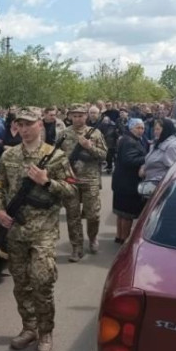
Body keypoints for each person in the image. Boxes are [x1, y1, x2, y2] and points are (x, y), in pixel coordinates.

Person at [0, 107, 76, 351]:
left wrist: (47, 182)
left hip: (43, 230)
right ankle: (29, 328)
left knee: (42, 280)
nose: (25, 129)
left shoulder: (56, 156)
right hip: (15, 230)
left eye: (29, 124)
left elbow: (72, 191)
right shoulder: (9, 155)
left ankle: (45, 332)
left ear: (40, 124)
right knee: (21, 284)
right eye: (21, 125)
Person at [61, 104, 108, 261]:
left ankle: (92, 237)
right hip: (70, 180)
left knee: (93, 214)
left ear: (86, 116)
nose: (77, 119)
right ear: (70, 117)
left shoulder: (95, 133)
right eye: (74, 116)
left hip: (90, 179)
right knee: (72, 216)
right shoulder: (63, 134)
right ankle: (77, 247)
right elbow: (56, 156)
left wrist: (90, 147)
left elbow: (104, 155)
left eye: (80, 115)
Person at [112, 118, 147, 244]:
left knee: (121, 213)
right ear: (131, 128)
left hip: (121, 182)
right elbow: (129, 160)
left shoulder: (128, 139)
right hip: (128, 183)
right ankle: (124, 240)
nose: (141, 130)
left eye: (142, 128)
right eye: (138, 128)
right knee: (127, 215)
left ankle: (119, 237)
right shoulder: (130, 141)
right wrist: (147, 158)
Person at [139, 118, 176, 187]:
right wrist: (143, 168)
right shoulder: (158, 142)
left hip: (161, 187)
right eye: (154, 129)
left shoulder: (172, 146)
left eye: (158, 129)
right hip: (151, 185)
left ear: (166, 130)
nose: (155, 132)